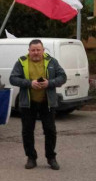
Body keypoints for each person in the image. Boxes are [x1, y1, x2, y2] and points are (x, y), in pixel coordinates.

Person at [9, 39, 67, 170]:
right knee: (27, 131)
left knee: (50, 131)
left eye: (38, 50)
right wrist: (30, 83)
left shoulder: (52, 61)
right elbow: (13, 78)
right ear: (29, 51)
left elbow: (62, 76)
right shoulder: (21, 61)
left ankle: (51, 158)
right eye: (33, 50)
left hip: (47, 102)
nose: (36, 53)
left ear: (43, 50)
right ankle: (31, 158)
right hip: (28, 103)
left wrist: (49, 83)